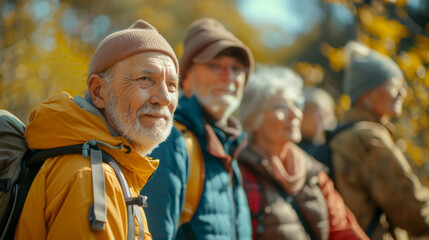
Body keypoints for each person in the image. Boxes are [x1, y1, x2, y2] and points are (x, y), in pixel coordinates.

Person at [15, 20, 179, 239]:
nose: (165, 98)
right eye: (146, 79)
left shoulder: (111, 168)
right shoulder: (91, 177)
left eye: (172, 84)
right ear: (99, 91)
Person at [141, 18, 253, 239]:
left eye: (237, 68)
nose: (229, 76)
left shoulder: (230, 144)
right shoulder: (170, 140)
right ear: (187, 78)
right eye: (215, 65)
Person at [237, 65, 369, 240]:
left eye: (297, 104)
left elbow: (345, 231)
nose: (295, 114)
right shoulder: (239, 173)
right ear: (252, 119)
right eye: (280, 107)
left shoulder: (314, 174)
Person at [330, 41, 429, 239]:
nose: (403, 92)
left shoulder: (344, 134)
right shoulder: (368, 138)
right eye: (395, 85)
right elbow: (413, 211)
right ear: (368, 95)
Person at [299, 87, 337, 153]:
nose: (326, 120)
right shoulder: (291, 146)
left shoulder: (333, 147)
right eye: (321, 115)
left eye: (327, 115)